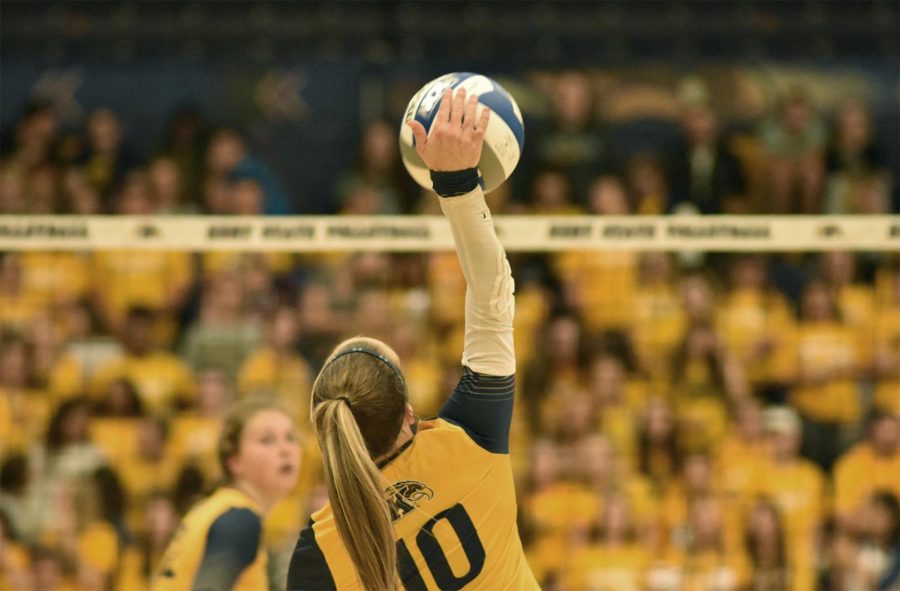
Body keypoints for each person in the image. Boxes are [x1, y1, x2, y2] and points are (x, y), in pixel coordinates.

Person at [287, 87, 539, 590]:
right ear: (408, 414)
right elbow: (493, 299)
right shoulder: (469, 441)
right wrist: (457, 184)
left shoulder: (319, 550)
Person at [152, 397, 300, 591]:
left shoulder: (215, 509)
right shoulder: (239, 518)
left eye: (290, 437)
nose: (285, 450)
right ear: (234, 460)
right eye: (267, 440)